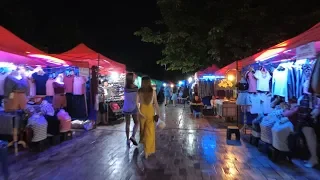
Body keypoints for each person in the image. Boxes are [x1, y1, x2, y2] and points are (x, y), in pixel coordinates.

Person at [137, 76, 161, 159]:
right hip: (150, 111)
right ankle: (148, 150)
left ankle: (146, 149)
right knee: (150, 131)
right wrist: (158, 113)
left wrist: (139, 112)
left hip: (142, 111)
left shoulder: (139, 91)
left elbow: (136, 103)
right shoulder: (153, 91)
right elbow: (156, 104)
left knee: (143, 130)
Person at [123, 73, 139, 146]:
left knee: (127, 124)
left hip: (126, 107)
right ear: (132, 78)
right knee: (136, 122)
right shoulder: (135, 87)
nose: (135, 77)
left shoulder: (125, 87)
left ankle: (127, 140)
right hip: (133, 106)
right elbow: (137, 98)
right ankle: (133, 136)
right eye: (134, 77)